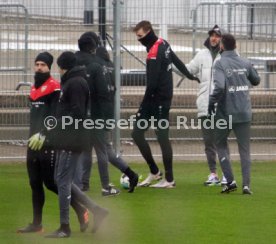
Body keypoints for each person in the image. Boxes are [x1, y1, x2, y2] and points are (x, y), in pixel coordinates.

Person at [17, 52, 89, 234]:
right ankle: (36, 224)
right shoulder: (34, 89)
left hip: (48, 142)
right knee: (34, 182)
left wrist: (45, 134)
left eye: (43, 64)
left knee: (52, 183)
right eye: (37, 64)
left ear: (50, 67)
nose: (39, 67)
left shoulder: (55, 88)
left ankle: (81, 210)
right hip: (33, 142)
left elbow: (57, 116)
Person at [46, 51, 108, 238]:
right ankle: (97, 210)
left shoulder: (75, 83)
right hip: (69, 137)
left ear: (62, 67)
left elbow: (78, 113)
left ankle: (65, 227)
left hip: (72, 139)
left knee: (63, 183)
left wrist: (59, 123)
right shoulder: (75, 81)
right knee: (60, 180)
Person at [132, 20, 199, 188]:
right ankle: (155, 172)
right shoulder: (163, 43)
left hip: (159, 100)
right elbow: (177, 62)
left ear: (148, 32)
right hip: (159, 98)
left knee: (161, 137)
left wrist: (143, 105)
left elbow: (152, 84)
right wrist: (190, 76)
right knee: (136, 133)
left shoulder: (155, 51)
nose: (138, 39)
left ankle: (169, 179)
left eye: (140, 36)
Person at [75, 32, 139, 194]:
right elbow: (106, 93)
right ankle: (107, 185)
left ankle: (85, 184)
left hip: (83, 115)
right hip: (99, 115)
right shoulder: (102, 67)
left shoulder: (77, 64)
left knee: (89, 150)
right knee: (104, 150)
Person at [208, 34, 260, 194]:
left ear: (222, 46)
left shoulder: (220, 63)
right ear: (235, 45)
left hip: (226, 113)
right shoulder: (244, 62)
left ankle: (230, 181)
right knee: (244, 150)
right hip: (244, 113)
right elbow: (256, 80)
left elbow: (220, 86)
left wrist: (211, 102)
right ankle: (246, 185)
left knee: (221, 144)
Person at [186, 25, 227, 186]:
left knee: (221, 142)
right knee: (209, 142)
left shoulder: (228, 56)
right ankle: (213, 174)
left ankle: (226, 174)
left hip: (222, 106)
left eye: (217, 35)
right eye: (212, 35)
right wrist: (171, 64)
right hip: (204, 105)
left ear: (221, 38)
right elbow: (189, 70)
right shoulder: (201, 55)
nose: (214, 38)